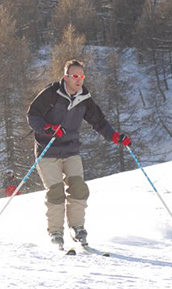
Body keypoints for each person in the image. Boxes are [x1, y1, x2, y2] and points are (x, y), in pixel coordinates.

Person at [27, 59, 131, 246]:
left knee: (79, 188)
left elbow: (99, 122)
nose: (79, 80)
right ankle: (56, 232)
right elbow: (32, 115)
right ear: (66, 77)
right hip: (48, 150)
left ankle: (77, 228)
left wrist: (114, 136)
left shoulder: (84, 98)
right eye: (75, 76)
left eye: (82, 76)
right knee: (56, 191)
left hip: (71, 149)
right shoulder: (52, 94)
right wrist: (48, 128)